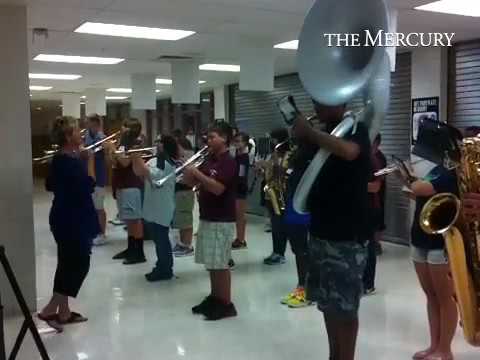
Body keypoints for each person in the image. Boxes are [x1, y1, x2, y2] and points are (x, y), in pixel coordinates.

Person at [293, 101, 371, 360]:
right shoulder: (319, 133)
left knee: (346, 308)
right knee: (327, 303)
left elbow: (349, 152)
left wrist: (311, 134)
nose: (317, 106)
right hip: (320, 231)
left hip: (347, 235)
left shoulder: (355, 128)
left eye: (323, 101)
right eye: (314, 101)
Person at [39, 117, 99, 327]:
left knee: (66, 263)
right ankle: (49, 309)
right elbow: (90, 185)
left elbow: (49, 185)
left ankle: (63, 312)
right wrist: (89, 160)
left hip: (63, 217)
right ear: (68, 136)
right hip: (72, 220)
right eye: (76, 131)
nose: (81, 133)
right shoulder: (70, 162)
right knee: (80, 263)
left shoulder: (59, 159)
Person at [397, 162, 459, 360]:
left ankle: (445, 350)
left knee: (444, 298)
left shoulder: (452, 174)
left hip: (440, 241)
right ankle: (434, 346)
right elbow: (417, 194)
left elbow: (420, 188)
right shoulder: (437, 170)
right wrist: (405, 180)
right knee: (431, 296)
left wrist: (404, 175)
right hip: (420, 236)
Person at [183, 122, 238, 321]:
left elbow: (217, 188)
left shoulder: (228, 162)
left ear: (224, 138)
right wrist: (188, 170)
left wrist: (196, 172)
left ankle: (226, 304)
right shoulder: (209, 160)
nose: (209, 140)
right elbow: (191, 183)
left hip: (221, 219)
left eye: (213, 136)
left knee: (221, 263)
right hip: (207, 217)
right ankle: (215, 298)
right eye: (208, 136)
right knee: (212, 263)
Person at [132, 135, 177, 281]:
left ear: (165, 145)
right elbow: (139, 172)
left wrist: (137, 155)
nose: (156, 143)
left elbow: (153, 176)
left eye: (159, 141)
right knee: (158, 241)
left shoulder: (168, 163)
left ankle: (166, 270)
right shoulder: (153, 160)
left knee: (162, 241)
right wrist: (134, 157)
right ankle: (161, 266)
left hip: (162, 208)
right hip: (152, 207)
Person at [108, 119, 146, 265]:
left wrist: (113, 148)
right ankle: (130, 248)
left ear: (130, 129)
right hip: (121, 184)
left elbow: (125, 162)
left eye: (124, 127)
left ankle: (138, 252)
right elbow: (115, 162)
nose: (121, 129)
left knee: (135, 220)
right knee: (128, 220)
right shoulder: (123, 143)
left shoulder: (135, 143)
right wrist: (111, 152)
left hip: (131, 185)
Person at [262, 128, 291, 265]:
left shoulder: (289, 155)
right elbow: (268, 175)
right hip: (271, 192)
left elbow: (285, 173)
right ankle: (276, 252)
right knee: (275, 225)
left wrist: (274, 163)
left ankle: (280, 253)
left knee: (280, 225)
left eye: (274, 139)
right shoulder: (274, 154)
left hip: (283, 193)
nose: (272, 142)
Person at [363, 134, 387, 295]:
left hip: (369, 208)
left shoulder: (374, 160)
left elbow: (375, 187)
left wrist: (349, 185)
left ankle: (368, 284)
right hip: (361, 208)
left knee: (368, 247)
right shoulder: (363, 159)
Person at [84, 114, 108, 246]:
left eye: (88, 122)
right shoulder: (85, 136)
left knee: (99, 207)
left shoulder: (102, 138)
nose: (86, 125)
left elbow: (107, 156)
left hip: (99, 177)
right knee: (91, 207)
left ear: (95, 124)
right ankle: (93, 231)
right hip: (87, 177)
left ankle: (102, 234)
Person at [172, 135, 196, 257]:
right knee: (180, 219)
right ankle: (182, 243)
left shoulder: (188, 157)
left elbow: (187, 175)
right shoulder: (179, 157)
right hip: (178, 191)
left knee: (185, 219)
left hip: (185, 191)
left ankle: (187, 246)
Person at [232, 132, 250, 249]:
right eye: (236, 141)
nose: (237, 143)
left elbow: (241, 175)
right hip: (235, 188)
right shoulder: (237, 155)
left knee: (240, 216)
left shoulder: (244, 157)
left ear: (245, 143)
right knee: (237, 216)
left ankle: (241, 239)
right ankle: (239, 238)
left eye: (240, 141)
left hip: (240, 189)